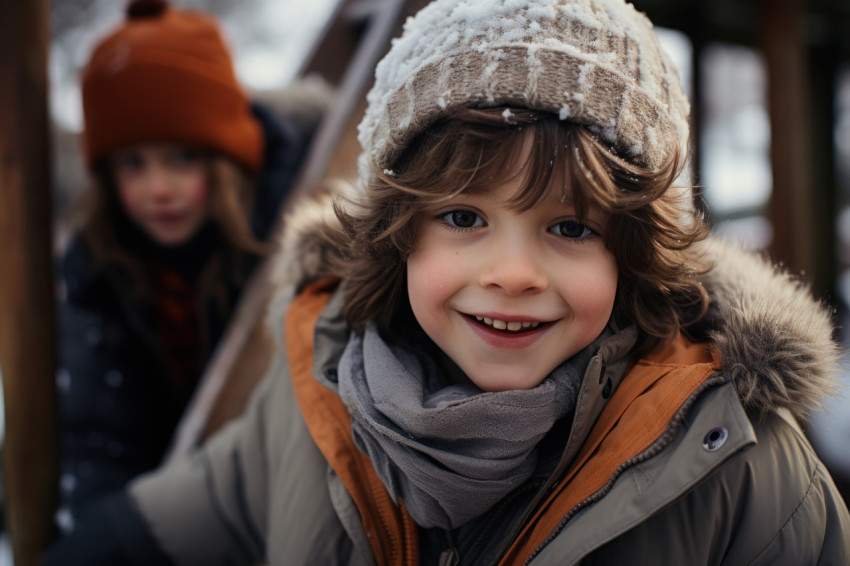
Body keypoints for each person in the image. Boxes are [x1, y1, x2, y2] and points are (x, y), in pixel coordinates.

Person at [45, 0, 850, 564]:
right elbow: (213, 501)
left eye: (570, 228)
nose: (510, 274)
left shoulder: (740, 471)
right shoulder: (313, 395)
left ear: (635, 254)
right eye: (464, 219)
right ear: (397, 236)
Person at [52, 0, 319, 535]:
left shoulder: (288, 221)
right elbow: (100, 428)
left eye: (182, 158)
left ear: (224, 159)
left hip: (272, 489)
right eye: (133, 164)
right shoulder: (102, 267)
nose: (158, 188)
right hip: (162, 480)